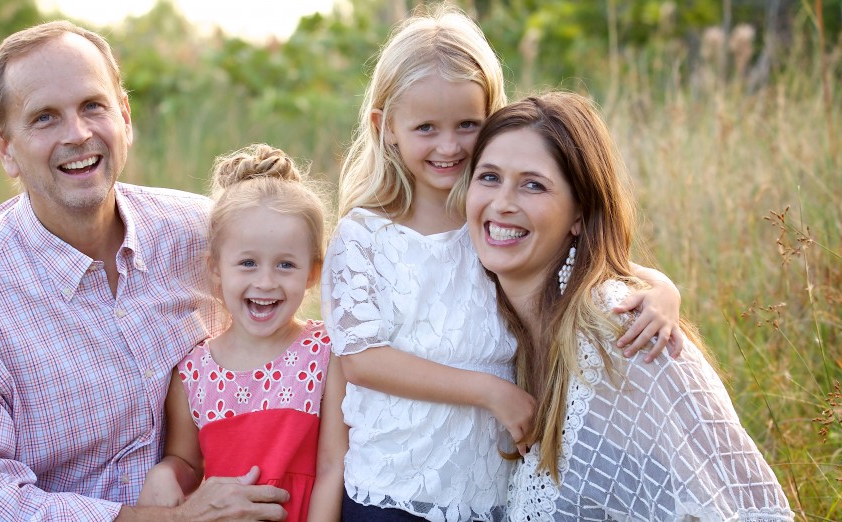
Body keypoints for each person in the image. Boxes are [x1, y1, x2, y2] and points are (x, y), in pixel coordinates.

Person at [0, 21, 289, 521]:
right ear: (5, 149)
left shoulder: (203, 236)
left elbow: (284, 350)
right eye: (44, 118)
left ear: (124, 117)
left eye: (92, 106)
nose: (78, 134)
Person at [321, 4, 684, 521]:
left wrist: (664, 289)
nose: (449, 146)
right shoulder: (366, 234)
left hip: (489, 492)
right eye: (426, 127)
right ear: (386, 127)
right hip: (391, 492)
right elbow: (362, 358)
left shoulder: (494, 224)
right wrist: (492, 392)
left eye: (468, 124)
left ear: (493, 116)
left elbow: (589, 264)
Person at [457, 91, 794, 520]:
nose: (502, 202)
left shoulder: (624, 332)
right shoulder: (483, 322)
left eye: (533, 184)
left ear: (579, 214)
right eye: (489, 177)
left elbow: (740, 505)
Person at [135, 144, 348, 521]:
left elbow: (333, 466)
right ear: (216, 268)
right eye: (247, 263)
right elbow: (186, 460)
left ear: (313, 272)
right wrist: (165, 472)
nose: (265, 282)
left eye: (286, 264)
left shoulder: (325, 353)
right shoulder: (193, 372)